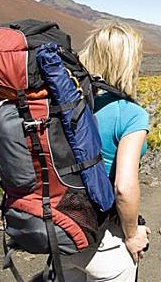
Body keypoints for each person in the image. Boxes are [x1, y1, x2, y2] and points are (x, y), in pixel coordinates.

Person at [61, 22, 151, 281]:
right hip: (104, 241)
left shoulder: (71, 107)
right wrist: (133, 235)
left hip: (64, 235)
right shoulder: (131, 114)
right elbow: (123, 187)